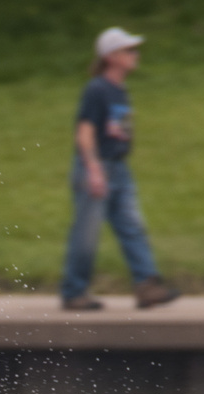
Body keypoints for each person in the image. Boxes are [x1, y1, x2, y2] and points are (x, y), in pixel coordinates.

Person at [59, 27, 180, 312]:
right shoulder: (97, 89)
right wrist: (93, 169)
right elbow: (84, 132)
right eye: (128, 51)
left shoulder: (119, 90)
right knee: (86, 234)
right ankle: (74, 292)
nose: (135, 55)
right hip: (97, 168)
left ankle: (147, 287)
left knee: (132, 227)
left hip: (119, 169)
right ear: (111, 56)